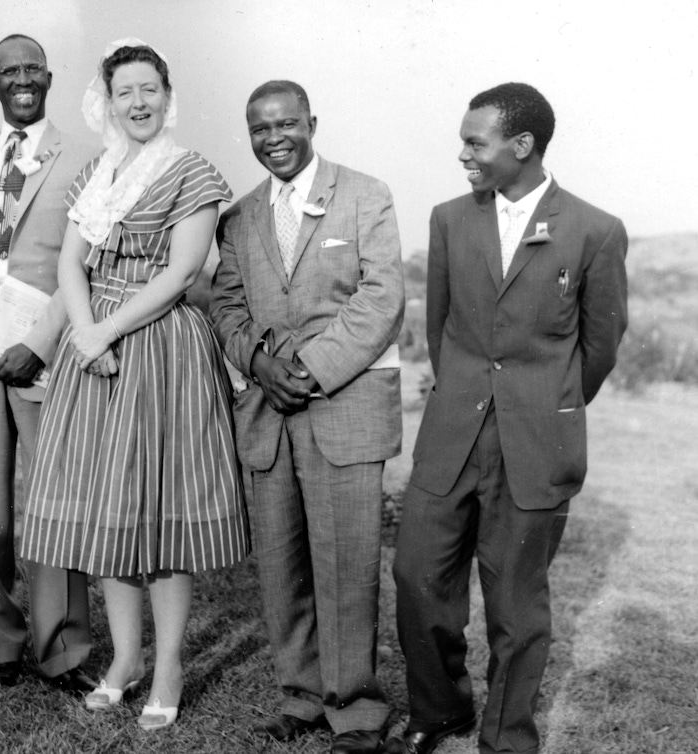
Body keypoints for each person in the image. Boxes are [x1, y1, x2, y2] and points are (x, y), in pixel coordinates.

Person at [386, 83, 628, 754]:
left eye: (475, 141)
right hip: (451, 432)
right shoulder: (448, 219)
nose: (462, 153)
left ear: (521, 146)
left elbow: (599, 346)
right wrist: (469, 394)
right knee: (417, 576)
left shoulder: (595, 230)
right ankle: (441, 712)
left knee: (517, 607)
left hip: (534, 441)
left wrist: (542, 407)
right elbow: (440, 330)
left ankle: (507, 736)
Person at [19, 39, 248, 731]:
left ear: (167, 95)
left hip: (159, 347)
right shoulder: (97, 169)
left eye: (150, 89)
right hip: (94, 350)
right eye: (126, 92)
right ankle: (124, 659)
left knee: (159, 508)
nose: (139, 103)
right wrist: (84, 333)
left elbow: (180, 274)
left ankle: (170, 663)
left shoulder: (191, 171)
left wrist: (104, 331)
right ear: (108, 100)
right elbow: (69, 262)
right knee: (104, 511)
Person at [209, 81, 404, 754]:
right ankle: (300, 697)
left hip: (341, 408)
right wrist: (259, 363)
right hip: (269, 414)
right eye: (260, 128)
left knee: (346, 564)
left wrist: (309, 370)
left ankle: (354, 711)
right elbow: (226, 309)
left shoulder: (365, 193)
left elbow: (382, 299)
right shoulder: (238, 219)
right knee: (282, 564)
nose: (274, 138)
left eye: (287, 124)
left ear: (311, 123)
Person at [0, 34, 97, 691]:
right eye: (10, 71)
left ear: (51, 78)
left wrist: (39, 339)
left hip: (44, 333)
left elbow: (90, 264)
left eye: (33, 69)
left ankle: (62, 648)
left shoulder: (88, 160)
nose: (23, 79)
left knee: (56, 492)